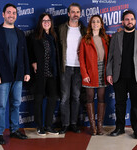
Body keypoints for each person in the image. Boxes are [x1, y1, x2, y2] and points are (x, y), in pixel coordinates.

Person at [0, 3, 30, 145]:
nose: (11, 15)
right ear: (3, 14)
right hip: (2, 76)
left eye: (14, 13)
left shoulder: (20, 33)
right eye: (9, 12)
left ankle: (14, 129)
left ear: (16, 15)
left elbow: (24, 54)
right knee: (1, 106)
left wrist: (27, 72)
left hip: (17, 75)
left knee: (16, 104)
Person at [106, 10, 137, 139]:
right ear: (122, 21)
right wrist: (109, 73)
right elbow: (111, 57)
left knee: (136, 104)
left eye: (131, 19)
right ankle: (119, 128)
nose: (129, 21)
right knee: (119, 104)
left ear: (135, 21)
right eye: (126, 19)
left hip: (136, 77)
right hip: (119, 76)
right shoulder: (116, 37)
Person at [29, 13, 60, 136]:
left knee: (52, 98)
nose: (46, 22)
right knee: (38, 100)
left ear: (51, 23)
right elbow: (29, 52)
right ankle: (39, 126)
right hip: (40, 73)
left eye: (48, 20)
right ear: (40, 23)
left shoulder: (53, 36)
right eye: (44, 20)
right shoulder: (34, 36)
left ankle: (48, 125)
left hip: (52, 73)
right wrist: (33, 63)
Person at [58, 3, 86, 134]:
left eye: (78, 12)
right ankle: (65, 124)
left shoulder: (85, 30)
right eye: (73, 12)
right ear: (68, 14)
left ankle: (74, 124)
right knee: (64, 97)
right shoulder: (61, 28)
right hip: (65, 67)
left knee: (76, 96)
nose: (75, 14)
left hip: (79, 68)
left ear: (80, 14)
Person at [79, 15, 109, 135]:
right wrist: (84, 74)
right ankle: (92, 126)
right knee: (90, 97)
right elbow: (81, 59)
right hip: (90, 71)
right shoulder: (85, 39)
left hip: (103, 70)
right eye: (93, 22)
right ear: (90, 25)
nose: (95, 24)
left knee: (101, 97)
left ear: (101, 24)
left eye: (98, 22)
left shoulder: (106, 38)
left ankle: (100, 126)